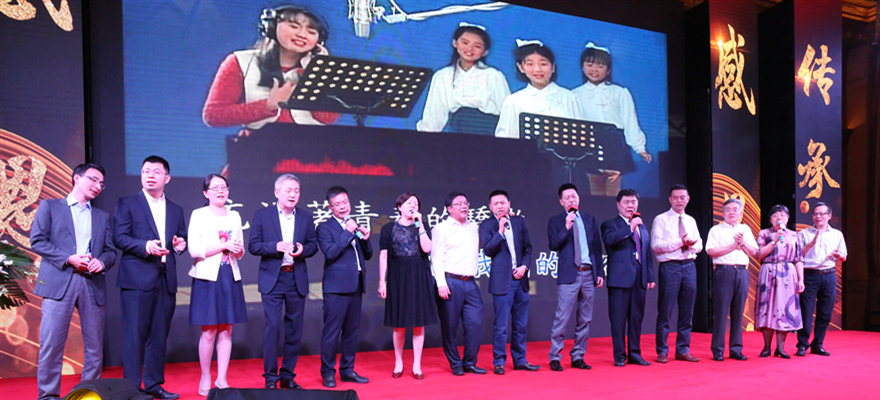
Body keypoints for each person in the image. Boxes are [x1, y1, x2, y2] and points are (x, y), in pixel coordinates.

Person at [30, 163, 116, 400]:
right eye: (93, 179)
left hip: (91, 282)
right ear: (77, 178)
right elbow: (37, 240)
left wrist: (102, 262)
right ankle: (48, 395)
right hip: (60, 280)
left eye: (101, 183)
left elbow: (110, 251)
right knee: (52, 344)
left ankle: (86, 394)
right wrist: (68, 258)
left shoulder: (102, 216)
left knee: (95, 348)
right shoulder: (50, 206)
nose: (97, 186)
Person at [114, 155, 188, 399]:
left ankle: (154, 384)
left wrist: (179, 245)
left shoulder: (176, 209)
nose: (150, 175)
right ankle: (132, 389)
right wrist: (145, 246)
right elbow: (119, 237)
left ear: (167, 178)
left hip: (166, 279)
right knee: (134, 336)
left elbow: (180, 239)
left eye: (156, 172)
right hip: (136, 279)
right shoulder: (127, 203)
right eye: (146, 171)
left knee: (158, 335)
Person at [202, 5, 338, 130]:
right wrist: (268, 105)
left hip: (311, 145)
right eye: (294, 26)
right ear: (272, 27)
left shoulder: (323, 70)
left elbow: (327, 118)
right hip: (258, 145)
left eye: (311, 31)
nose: (302, 35)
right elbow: (213, 115)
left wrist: (316, 74)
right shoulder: (240, 61)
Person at [248, 174, 318, 389]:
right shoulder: (262, 215)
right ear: (277, 193)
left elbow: (313, 245)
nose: (293, 194)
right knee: (273, 327)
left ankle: (288, 376)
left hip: (296, 277)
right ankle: (271, 377)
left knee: (294, 329)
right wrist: (275, 247)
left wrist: (303, 250)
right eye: (288, 190)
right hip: (273, 278)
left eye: (296, 190)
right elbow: (253, 246)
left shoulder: (306, 217)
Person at [187, 174, 247, 395]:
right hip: (207, 277)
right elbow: (194, 250)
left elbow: (240, 251)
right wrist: (223, 246)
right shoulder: (199, 214)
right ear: (206, 193)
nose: (220, 191)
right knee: (209, 331)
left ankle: (222, 379)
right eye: (215, 188)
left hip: (229, 275)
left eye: (224, 187)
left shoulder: (235, 216)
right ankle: (206, 376)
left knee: (227, 330)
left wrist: (237, 250)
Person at [573, 42, 652, 196]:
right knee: (595, 188)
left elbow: (630, 121)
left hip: (615, 144)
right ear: (582, 66)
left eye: (600, 65)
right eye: (590, 64)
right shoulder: (575, 95)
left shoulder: (619, 92)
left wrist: (640, 148)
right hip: (590, 143)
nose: (594, 69)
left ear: (608, 69)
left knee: (613, 190)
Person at [377, 193, 438, 380]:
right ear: (399, 207)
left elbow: (427, 248)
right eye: (409, 202)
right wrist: (382, 281)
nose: (413, 205)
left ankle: (417, 365)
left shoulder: (422, 225)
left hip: (419, 276)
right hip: (398, 277)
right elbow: (384, 256)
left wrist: (421, 227)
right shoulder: (388, 228)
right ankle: (399, 363)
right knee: (399, 325)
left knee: (419, 324)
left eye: (416, 203)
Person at [316, 186, 373, 388]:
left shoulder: (353, 224)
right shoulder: (324, 228)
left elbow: (367, 255)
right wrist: (348, 232)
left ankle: (347, 370)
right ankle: (328, 372)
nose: (343, 207)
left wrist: (365, 239)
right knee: (332, 332)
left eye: (345, 202)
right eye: (337, 204)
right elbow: (331, 252)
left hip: (356, 286)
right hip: (336, 289)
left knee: (351, 332)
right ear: (330, 207)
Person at [479, 190, 539, 375]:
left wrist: (524, 267)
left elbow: (528, 247)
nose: (500, 206)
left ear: (509, 204)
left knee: (521, 325)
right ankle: (499, 362)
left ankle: (520, 360)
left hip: (521, 280)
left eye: (502, 202)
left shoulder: (519, 221)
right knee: (501, 326)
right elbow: (488, 249)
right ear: (490, 207)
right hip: (501, 282)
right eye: (496, 203)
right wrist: (500, 231)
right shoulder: (487, 225)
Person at [546, 183, 604, 372]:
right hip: (569, 274)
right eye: (567, 197)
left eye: (574, 196)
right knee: (562, 317)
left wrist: (600, 272)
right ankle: (555, 357)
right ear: (561, 201)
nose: (572, 199)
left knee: (585, 318)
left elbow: (597, 248)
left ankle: (578, 355)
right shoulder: (556, 221)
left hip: (589, 273)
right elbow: (554, 245)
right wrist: (567, 226)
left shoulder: (589, 219)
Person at [417, 22, 510, 135]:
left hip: (489, 132)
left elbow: (507, 115)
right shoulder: (442, 76)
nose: (469, 49)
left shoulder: (494, 75)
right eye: (465, 43)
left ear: (485, 52)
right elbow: (435, 114)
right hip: (458, 131)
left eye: (477, 46)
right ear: (455, 43)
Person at [432, 192, 486, 376]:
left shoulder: (474, 227)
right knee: (450, 326)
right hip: (450, 282)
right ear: (449, 209)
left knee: (474, 324)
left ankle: (470, 362)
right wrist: (441, 283)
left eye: (466, 203)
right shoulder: (441, 228)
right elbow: (436, 258)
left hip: (471, 283)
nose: (464, 206)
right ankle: (455, 363)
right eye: (459, 203)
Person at [601, 189, 655, 367]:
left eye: (633, 202)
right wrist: (629, 227)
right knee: (618, 319)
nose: (630, 205)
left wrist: (649, 276)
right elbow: (609, 240)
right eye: (626, 202)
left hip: (640, 278)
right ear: (618, 205)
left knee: (636, 318)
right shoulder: (610, 224)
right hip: (619, 278)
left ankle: (635, 354)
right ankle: (619, 355)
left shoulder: (642, 227)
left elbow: (646, 253)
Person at [651, 184, 701, 363]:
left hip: (689, 266)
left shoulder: (691, 220)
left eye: (682, 197)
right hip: (670, 266)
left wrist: (691, 244)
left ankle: (683, 349)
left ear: (688, 199)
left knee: (687, 311)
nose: (679, 200)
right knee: (665, 310)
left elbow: (699, 245)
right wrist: (680, 243)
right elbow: (656, 246)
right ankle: (662, 351)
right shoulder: (661, 219)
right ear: (670, 199)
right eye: (676, 197)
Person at [705, 198, 758, 362]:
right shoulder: (716, 230)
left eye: (735, 209)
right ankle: (718, 350)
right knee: (720, 313)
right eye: (728, 209)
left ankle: (736, 349)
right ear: (723, 213)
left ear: (741, 212)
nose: (732, 212)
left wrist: (742, 244)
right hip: (723, 272)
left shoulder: (745, 229)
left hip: (742, 272)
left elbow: (754, 252)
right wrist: (733, 246)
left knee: (738, 312)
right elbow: (711, 251)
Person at [495, 40, 580, 139]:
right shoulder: (513, 101)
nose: (537, 69)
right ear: (521, 68)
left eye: (543, 64)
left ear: (553, 67)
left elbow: (581, 134)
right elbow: (506, 137)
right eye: (530, 64)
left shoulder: (569, 97)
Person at [796, 202, 847, 357]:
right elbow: (798, 255)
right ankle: (802, 345)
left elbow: (844, 256)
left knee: (825, 312)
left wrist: (838, 255)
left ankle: (818, 344)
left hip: (829, 274)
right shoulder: (804, 234)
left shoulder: (837, 234)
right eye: (816, 214)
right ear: (812, 216)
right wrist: (811, 244)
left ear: (829, 216)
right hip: (809, 274)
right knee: (806, 311)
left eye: (822, 213)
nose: (818, 216)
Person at [754, 204, 804, 359]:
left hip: (788, 273)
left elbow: (798, 258)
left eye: (782, 215)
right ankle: (766, 347)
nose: (779, 218)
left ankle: (781, 348)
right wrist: (774, 240)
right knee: (767, 308)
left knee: (783, 309)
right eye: (775, 215)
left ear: (787, 218)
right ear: (770, 219)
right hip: (768, 271)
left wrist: (801, 279)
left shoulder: (794, 235)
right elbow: (760, 254)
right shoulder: (764, 233)